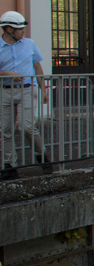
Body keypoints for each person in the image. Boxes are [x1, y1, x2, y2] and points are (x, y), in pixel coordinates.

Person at [0, 11, 50, 178]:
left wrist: (44, 90)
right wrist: (6, 73)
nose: (23, 32)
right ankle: (9, 165)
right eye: (20, 29)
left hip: (27, 88)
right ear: (8, 30)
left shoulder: (29, 43)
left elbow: (37, 67)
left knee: (27, 126)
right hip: (5, 91)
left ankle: (41, 155)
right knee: (6, 129)